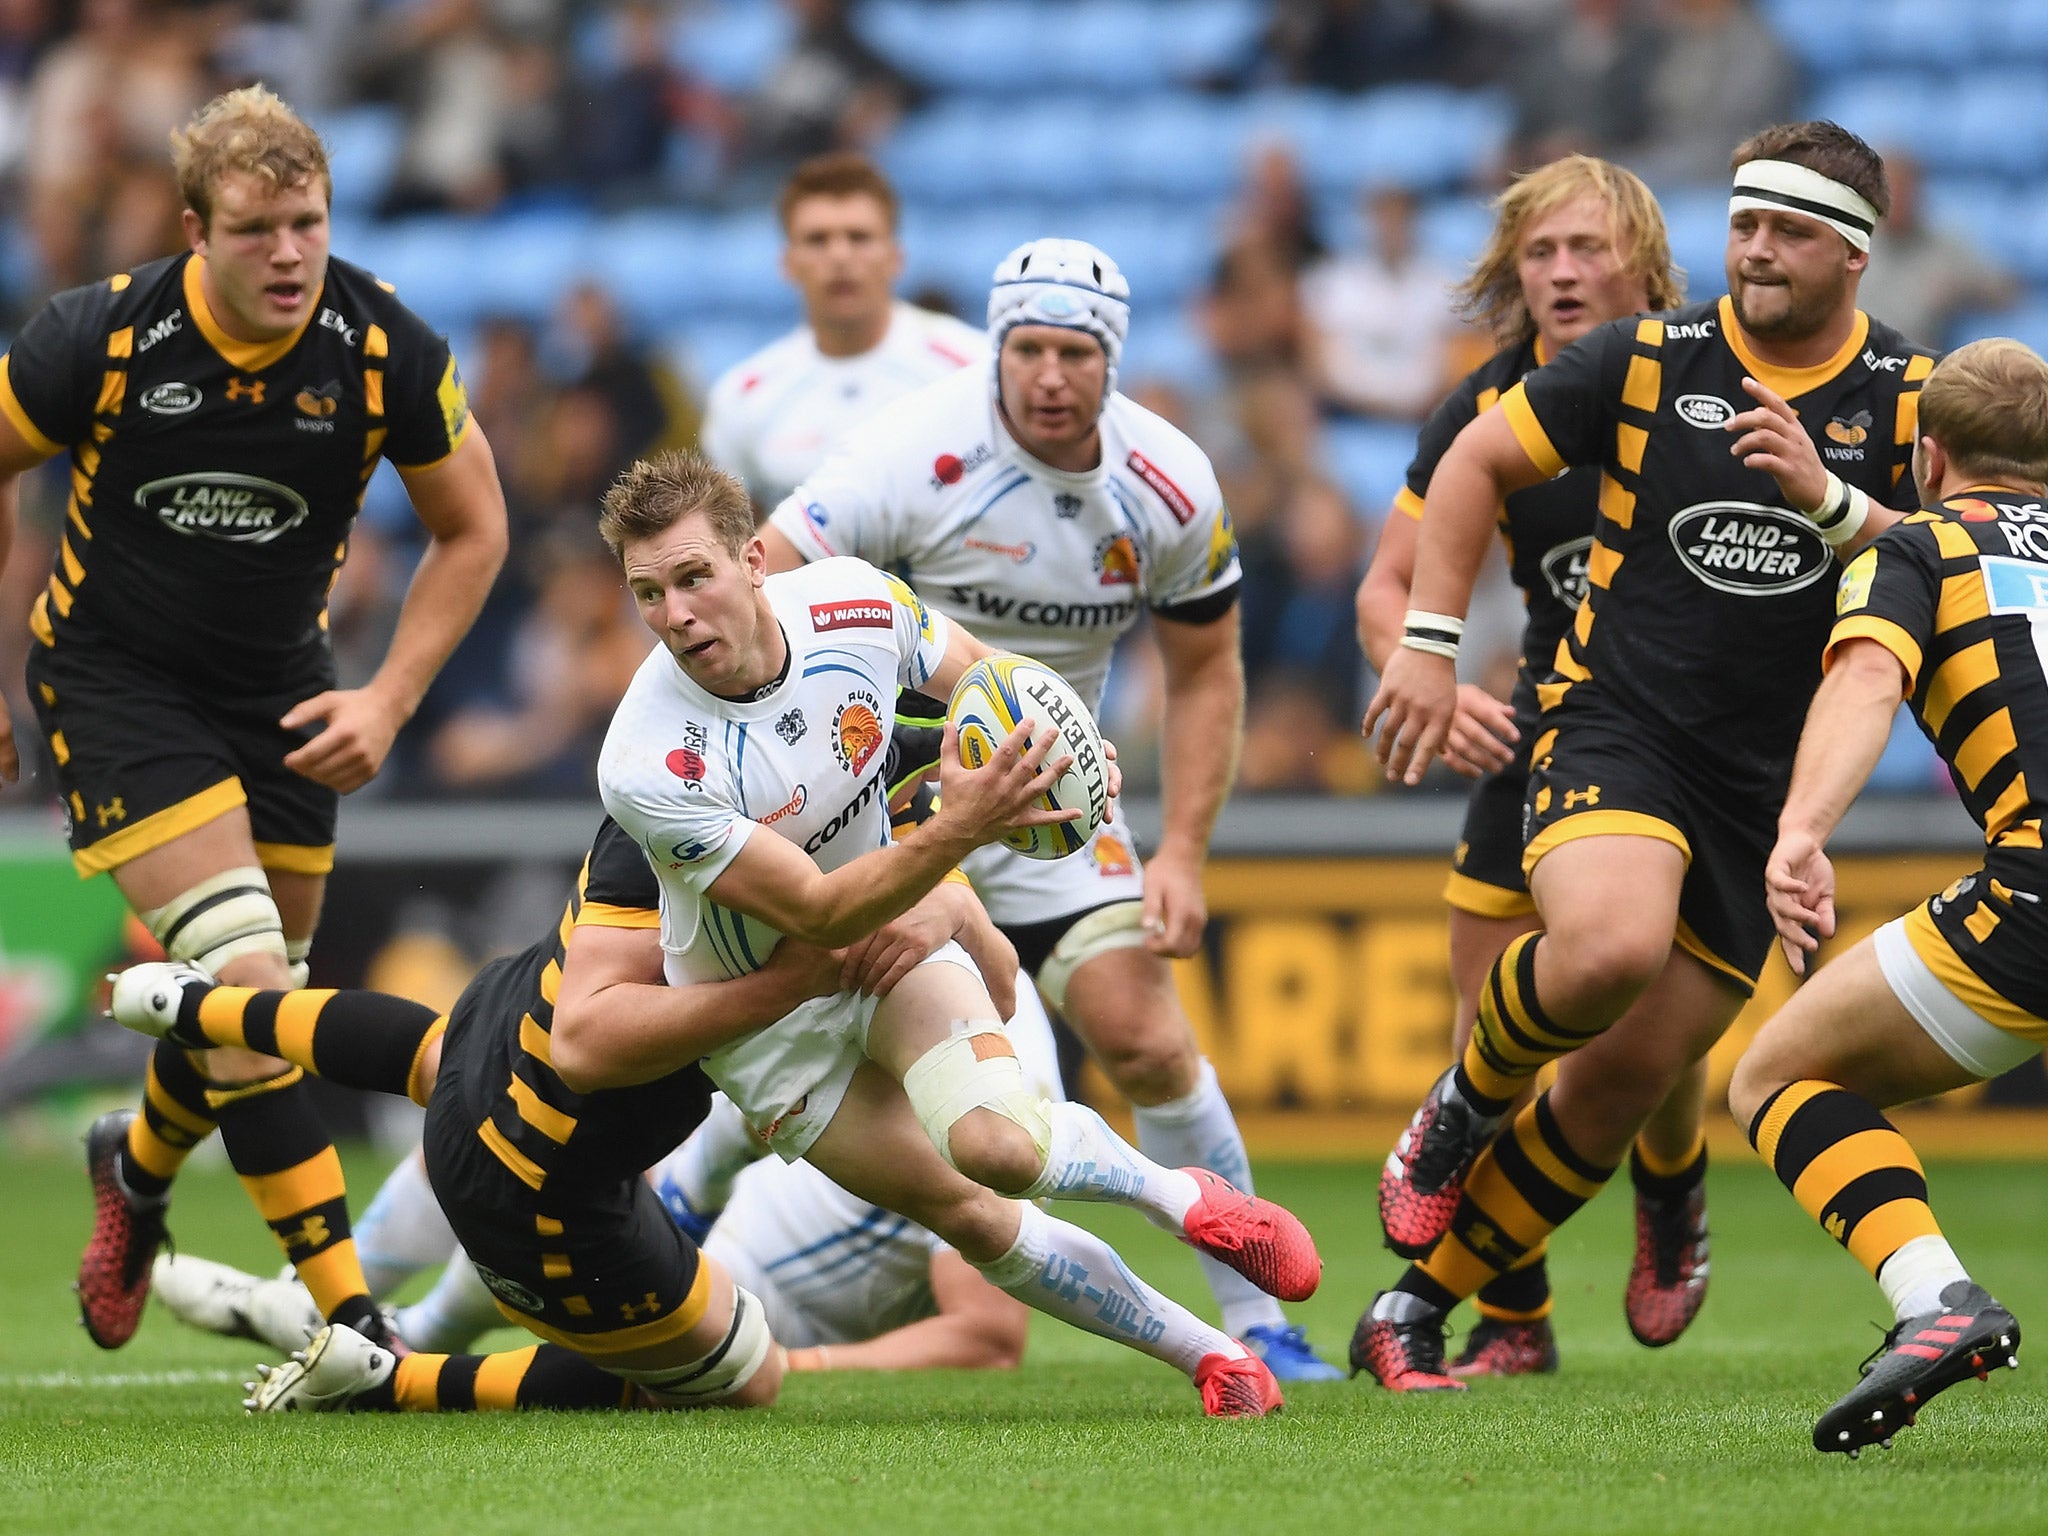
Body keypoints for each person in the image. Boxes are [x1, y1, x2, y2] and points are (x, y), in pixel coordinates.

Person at [1357, 122, 1935, 1391]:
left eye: (1786, 230)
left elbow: (1973, 554)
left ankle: (1411, 1311)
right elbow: (1469, 463)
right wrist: (1426, 648)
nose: (1756, 250)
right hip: (1609, 722)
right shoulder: (1642, 360)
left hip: (1761, 787)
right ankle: (1457, 1104)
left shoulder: (1907, 397)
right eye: (1742, 224)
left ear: (1850, 252)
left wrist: (1834, 507)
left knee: (1623, 1077)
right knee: (1604, 951)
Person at [761, 238, 1342, 1380]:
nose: (1047, 374)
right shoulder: (911, 449)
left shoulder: (1168, 484)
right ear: (996, 348)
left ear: (1110, 359)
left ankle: (1262, 1319)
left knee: (1145, 1039)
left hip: (1062, 808)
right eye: (1024, 347)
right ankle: (684, 1200)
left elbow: (1208, 668)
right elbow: (771, 579)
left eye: (1073, 351)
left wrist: (1181, 847)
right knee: (799, 1024)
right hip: (897, 810)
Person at [0, 86, 508, 1354]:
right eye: (256, 229)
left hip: (284, 699)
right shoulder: (103, 337)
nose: (289, 254)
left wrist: (387, 698)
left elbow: (475, 527)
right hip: (115, 686)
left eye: (309, 224)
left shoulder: (380, 345)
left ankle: (140, 1165)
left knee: (241, 1014)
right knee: (249, 982)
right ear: (194, 230)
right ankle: (352, 1321)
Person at [1354, 154, 1710, 1376]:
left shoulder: (1709, 380)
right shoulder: (1485, 406)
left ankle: (1669, 1182)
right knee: (1485, 1021)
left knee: (1643, 1032)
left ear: (1644, 265)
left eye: (1585, 249)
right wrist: (1430, 676)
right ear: (1511, 272)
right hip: (1549, 724)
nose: (1560, 272)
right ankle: (1516, 1318)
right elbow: (1385, 591)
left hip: (1694, 740)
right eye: (1538, 252)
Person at [1728, 338, 2046, 1455]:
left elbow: (1867, 672)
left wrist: (1801, 834)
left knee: (1775, 1073)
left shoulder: (1915, 551)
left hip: (2037, 896)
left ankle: (1936, 1302)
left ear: (1924, 453)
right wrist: (1828, 499)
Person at [699, 152, 983, 513]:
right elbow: (736, 540)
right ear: (788, 263)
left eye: (859, 237)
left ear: (895, 257)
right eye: (817, 240)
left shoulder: (970, 370)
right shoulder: (743, 396)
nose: (839, 256)